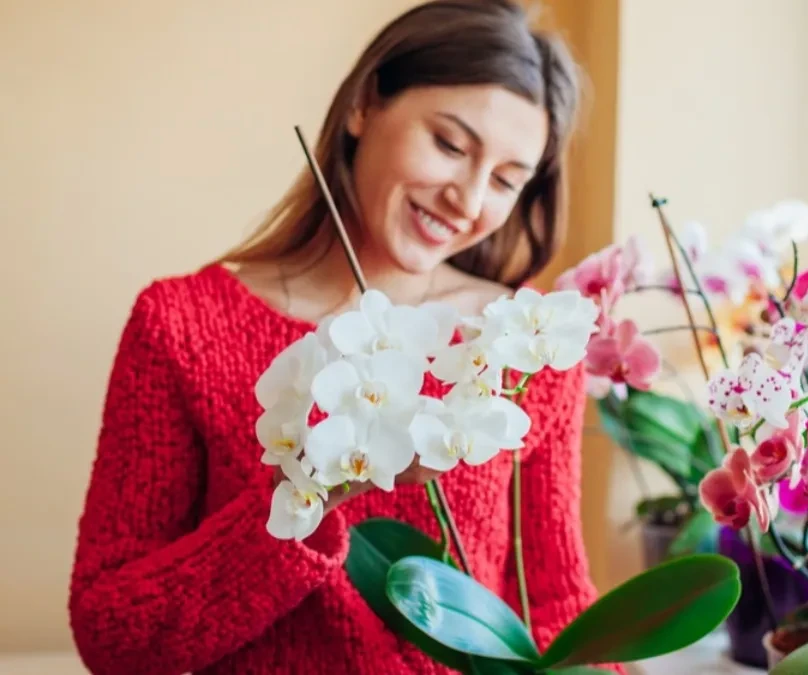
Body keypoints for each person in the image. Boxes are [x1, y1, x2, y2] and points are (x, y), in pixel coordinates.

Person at [68, 2, 620, 673]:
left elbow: (559, 608)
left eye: (506, 180)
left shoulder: (521, 344)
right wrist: (296, 506)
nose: (470, 200)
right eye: (449, 145)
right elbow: (111, 631)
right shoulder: (181, 325)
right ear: (363, 105)